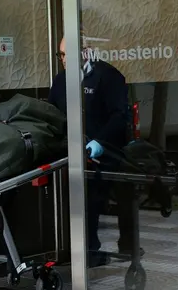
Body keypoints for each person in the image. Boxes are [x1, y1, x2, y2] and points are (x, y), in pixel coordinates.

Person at [48, 33, 131, 266]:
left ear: (85, 53)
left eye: (68, 54)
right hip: (73, 152)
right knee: (83, 201)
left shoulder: (108, 76)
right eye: (61, 54)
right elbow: (53, 113)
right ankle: (84, 250)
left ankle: (125, 245)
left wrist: (100, 143)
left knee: (111, 199)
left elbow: (119, 116)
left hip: (107, 151)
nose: (63, 59)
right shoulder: (61, 81)